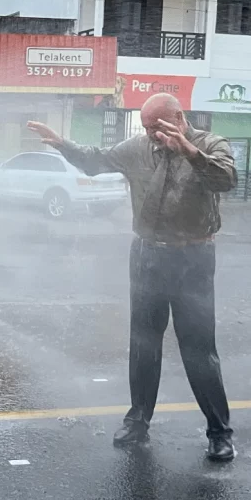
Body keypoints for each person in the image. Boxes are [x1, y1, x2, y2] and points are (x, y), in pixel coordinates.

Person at [27, 93, 238, 462]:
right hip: (147, 255)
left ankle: (219, 432)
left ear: (179, 117)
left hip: (193, 256)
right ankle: (138, 421)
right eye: (146, 128)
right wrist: (63, 145)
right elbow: (96, 160)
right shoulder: (138, 147)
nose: (151, 135)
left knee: (199, 349)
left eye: (157, 127)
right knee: (143, 344)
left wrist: (189, 151)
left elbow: (226, 180)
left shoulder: (209, 144)